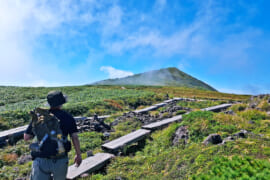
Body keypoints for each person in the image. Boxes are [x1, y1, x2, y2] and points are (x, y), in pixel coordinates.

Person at [24, 91, 82, 180]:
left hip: (41, 159)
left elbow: (26, 137)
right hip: (60, 159)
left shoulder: (40, 116)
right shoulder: (68, 117)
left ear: (49, 103)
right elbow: (74, 137)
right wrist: (78, 155)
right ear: (62, 102)